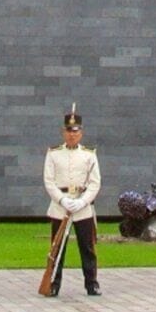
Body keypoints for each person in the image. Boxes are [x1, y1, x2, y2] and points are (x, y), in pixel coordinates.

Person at [40, 108, 103, 297]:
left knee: (87, 247)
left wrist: (83, 201)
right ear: (63, 132)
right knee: (57, 247)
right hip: (61, 206)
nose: (72, 135)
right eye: (69, 131)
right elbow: (49, 181)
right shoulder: (53, 153)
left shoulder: (89, 154)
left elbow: (95, 183)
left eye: (75, 131)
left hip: (82, 207)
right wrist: (62, 199)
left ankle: (92, 283)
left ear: (81, 132)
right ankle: (53, 283)